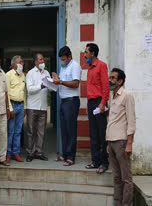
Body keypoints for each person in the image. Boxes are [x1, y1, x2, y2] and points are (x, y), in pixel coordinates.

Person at [106, 68, 135, 206]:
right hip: (111, 142)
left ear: (120, 81)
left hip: (122, 142)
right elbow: (112, 120)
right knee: (116, 178)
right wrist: (108, 143)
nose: (110, 80)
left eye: (113, 78)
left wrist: (129, 143)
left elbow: (131, 120)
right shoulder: (112, 95)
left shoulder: (127, 95)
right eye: (110, 77)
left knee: (126, 179)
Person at [52, 46, 82, 166]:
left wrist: (61, 82)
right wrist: (56, 78)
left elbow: (75, 83)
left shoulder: (75, 66)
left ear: (69, 56)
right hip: (64, 101)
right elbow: (62, 81)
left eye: (64, 59)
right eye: (61, 59)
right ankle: (65, 154)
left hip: (71, 101)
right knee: (64, 129)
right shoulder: (64, 67)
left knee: (71, 130)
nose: (62, 61)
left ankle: (71, 157)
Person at [84, 43, 110, 174]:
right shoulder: (90, 68)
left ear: (93, 53)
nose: (85, 55)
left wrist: (103, 103)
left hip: (99, 102)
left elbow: (106, 87)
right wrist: (89, 103)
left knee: (102, 134)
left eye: (86, 52)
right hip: (91, 103)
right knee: (93, 133)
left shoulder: (101, 66)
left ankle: (104, 163)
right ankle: (95, 161)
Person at [25, 53, 51, 162]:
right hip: (32, 106)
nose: (42, 61)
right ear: (35, 62)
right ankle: (30, 152)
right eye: (40, 60)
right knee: (31, 131)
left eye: (43, 59)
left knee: (41, 131)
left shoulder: (47, 73)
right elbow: (29, 89)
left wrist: (53, 82)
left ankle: (39, 152)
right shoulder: (30, 73)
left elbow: (50, 89)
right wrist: (41, 86)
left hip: (43, 106)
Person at [6, 55, 26, 163]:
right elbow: (7, 93)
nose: (22, 64)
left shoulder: (23, 75)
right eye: (20, 62)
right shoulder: (8, 75)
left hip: (21, 105)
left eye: (22, 62)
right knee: (11, 131)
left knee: (18, 131)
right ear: (14, 65)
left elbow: (24, 92)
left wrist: (25, 107)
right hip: (12, 105)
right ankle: (8, 154)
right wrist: (10, 108)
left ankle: (16, 153)